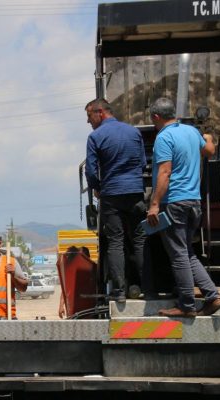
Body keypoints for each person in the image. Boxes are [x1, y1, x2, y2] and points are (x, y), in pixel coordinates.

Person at [146, 97, 220, 317]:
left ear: (156, 117)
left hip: (175, 202)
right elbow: (209, 151)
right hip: (194, 201)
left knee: (178, 256)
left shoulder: (164, 137)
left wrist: (154, 204)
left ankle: (187, 306)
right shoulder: (191, 132)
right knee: (187, 253)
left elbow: (165, 172)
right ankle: (212, 296)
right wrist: (207, 137)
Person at [84, 98, 147, 302]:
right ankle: (148, 288)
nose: (88, 121)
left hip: (112, 195)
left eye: (89, 116)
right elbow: (143, 162)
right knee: (139, 240)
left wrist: (97, 188)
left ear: (100, 112)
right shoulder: (134, 132)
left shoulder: (95, 137)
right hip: (136, 193)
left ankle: (119, 292)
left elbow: (91, 171)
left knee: (115, 242)